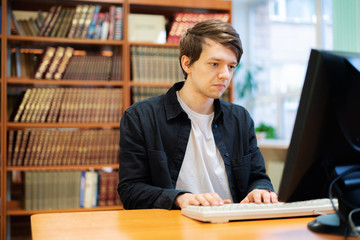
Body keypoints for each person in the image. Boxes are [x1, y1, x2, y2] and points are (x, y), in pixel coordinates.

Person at [117, 19, 278, 210]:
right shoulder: (140, 118)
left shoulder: (240, 119)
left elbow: (257, 177)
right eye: (214, 64)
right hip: (173, 228)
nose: (225, 75)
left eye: (231, 66)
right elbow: (131, 190)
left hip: (232, 226)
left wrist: (260, 190)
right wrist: (179, 198)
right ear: (187, 64)